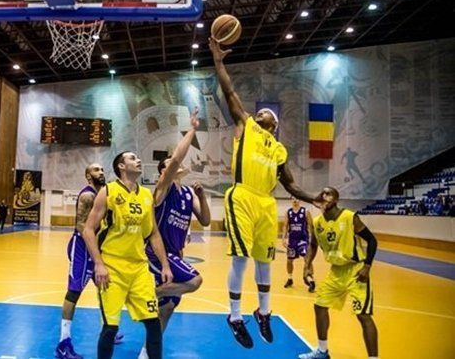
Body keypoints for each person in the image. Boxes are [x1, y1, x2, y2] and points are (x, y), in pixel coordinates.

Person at [209, 38, 318, 348]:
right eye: (261, 112)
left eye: (268, 113)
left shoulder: (280, 150)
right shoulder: (247, 126)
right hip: (242, 196)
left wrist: (314, 199)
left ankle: (264, 311)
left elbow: (291, 185)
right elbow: (230, 92)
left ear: (275, 124)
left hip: (267, 204)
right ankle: (234, 316)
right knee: (240, 259)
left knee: (265, 261)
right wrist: (218, 62)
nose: (262, 113)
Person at [82, 152, 173, 359]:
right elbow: (88, 230)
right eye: (132, 158)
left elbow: (153, 233)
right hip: (112, 268)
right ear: (121, 166)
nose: (138, 160)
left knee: (153, 324)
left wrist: (165, 265)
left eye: (138, 158)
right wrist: (99, 264)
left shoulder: (146, 195)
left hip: (139, 269)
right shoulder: (108, 191)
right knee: (110, 328)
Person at [137, 109, 211, 359]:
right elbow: (177, 158)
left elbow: (206, 220)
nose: (175, 163)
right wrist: (192, 129)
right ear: (163, 172)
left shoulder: (188, 193)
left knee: (167, 309)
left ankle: (146, 353)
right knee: (195, 281)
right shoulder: (162, 189)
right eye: (169, 164)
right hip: (158, 254)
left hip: (176, 254)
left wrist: (202, 196)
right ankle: (148, 293)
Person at [299, 187, 378, 359]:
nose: (324, 195)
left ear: (335, 199)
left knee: (363, 315)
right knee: (319, 305)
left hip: (356, 270)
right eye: (322, 193)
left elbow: (372, 240)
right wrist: (307, 266)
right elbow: (313, 245)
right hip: (336, 271)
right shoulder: (317, 222)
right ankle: (322, 351)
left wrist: (367, 266)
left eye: (328, 193)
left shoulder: (349, 217)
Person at [55, 163, 107, 359]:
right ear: (88, 176)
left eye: (102, 170)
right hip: (82, 248)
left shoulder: (102, 193)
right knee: (74, 292)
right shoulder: (87, 195)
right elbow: (82, 226)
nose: (100, 172)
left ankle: (108, 327)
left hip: (94, 247)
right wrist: (96, 253)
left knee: (105, 287)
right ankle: (63, 342)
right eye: (96, 170)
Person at [282, 197, 315, 291]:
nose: (295, 200)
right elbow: (285, 226)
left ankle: (311, 279)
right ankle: (290, 278)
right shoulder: (288, 212)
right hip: (292, 241)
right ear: (290, 200)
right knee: (289, 260)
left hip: (303, 240)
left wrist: (312, 238)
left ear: (299, 200)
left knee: (307, 259)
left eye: (296, 198)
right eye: (293, 199)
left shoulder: (305, 211)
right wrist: (284, 238)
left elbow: (311, 226)